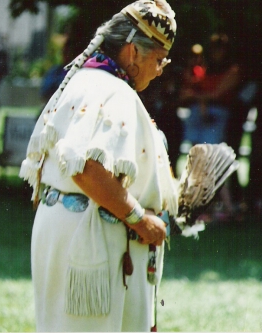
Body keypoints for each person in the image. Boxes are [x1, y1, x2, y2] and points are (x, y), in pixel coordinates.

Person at [19, 0, 178, 331]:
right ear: (133, 52)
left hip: (66, 229)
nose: (161, 69)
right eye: (159, 59)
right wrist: (139, 219)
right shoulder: (113, 91)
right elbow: (86, 168)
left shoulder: (83, 80)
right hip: (90, 242)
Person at [179, 33, 242, 220]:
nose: (217, 52)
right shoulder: (205, 70)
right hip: (200, 117)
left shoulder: (232, 70)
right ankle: (200, 208)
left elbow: (215, 94)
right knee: (197, 162)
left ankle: (228, 208)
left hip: (217, 118)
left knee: (214, 161)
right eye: (214, 47)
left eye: (221, 47)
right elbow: (189, 91)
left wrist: (196, 97)